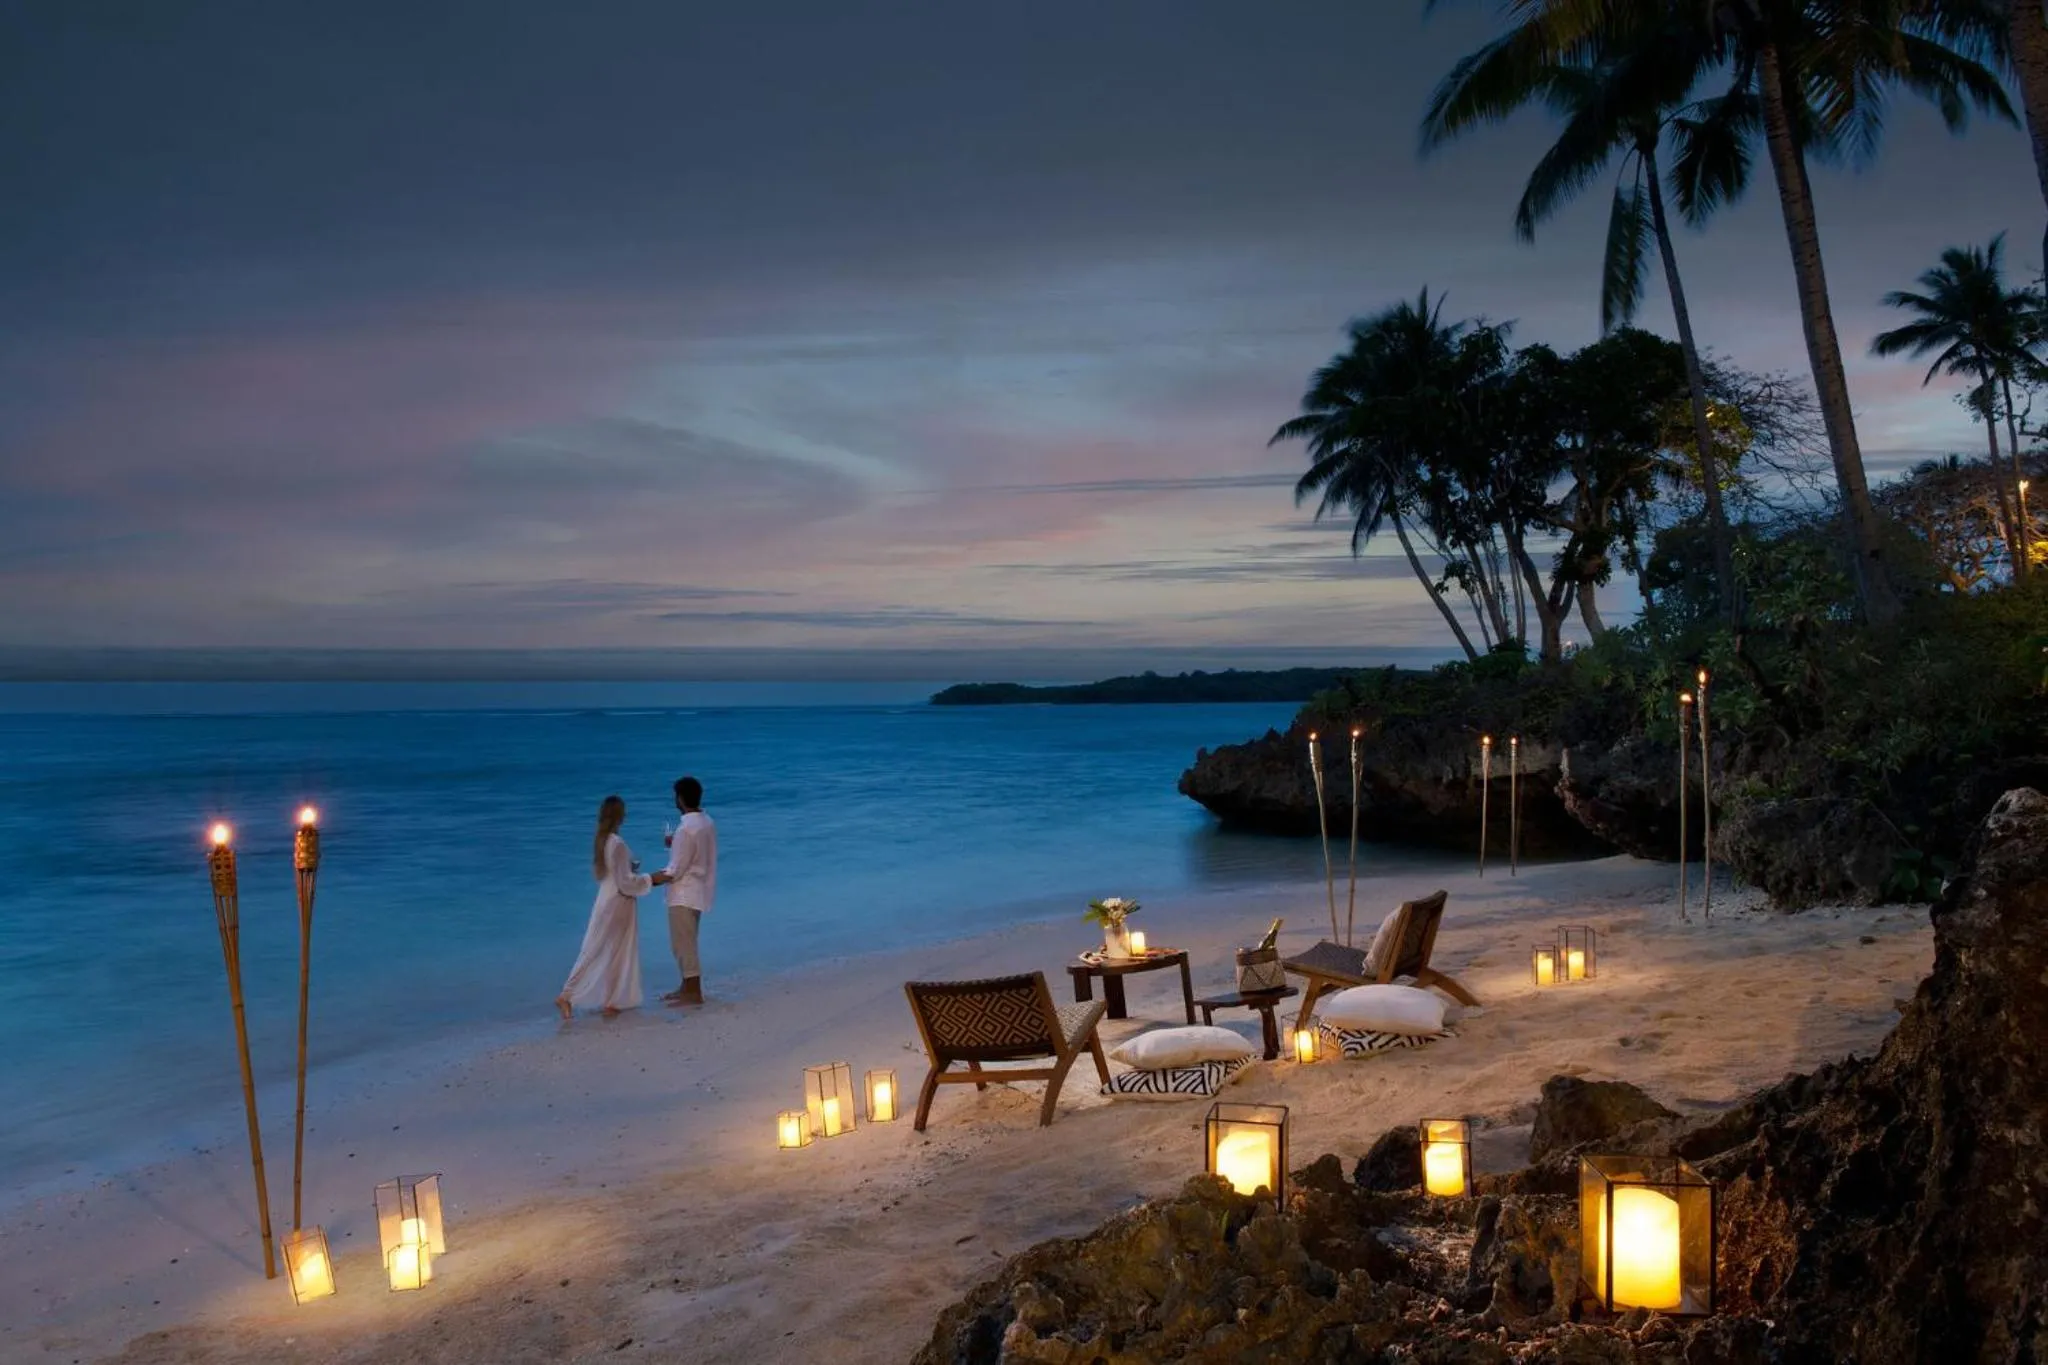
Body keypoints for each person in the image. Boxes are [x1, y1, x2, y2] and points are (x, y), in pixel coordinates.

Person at [556, 795, 669, 1019]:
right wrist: (652, 879)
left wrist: (632, 871)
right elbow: (625, 883)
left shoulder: (604, 841)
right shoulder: (616, 843)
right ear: (619, 815)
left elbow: (616, 875)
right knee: (606, 949)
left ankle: (610, 999)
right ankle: (568, 994)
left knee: (604, 948)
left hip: (607, 900)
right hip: (617, 903)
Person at [659, 775, 718, 1006]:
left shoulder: (686, 828)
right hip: (699, 889)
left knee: (683, 944)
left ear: (681, 798)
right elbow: (696, 854)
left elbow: (676, 869)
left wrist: (646, 880)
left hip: (683, 893)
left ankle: (693, 992)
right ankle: (686, 987)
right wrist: (675, 844)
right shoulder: (706, 822)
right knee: (688, 939)